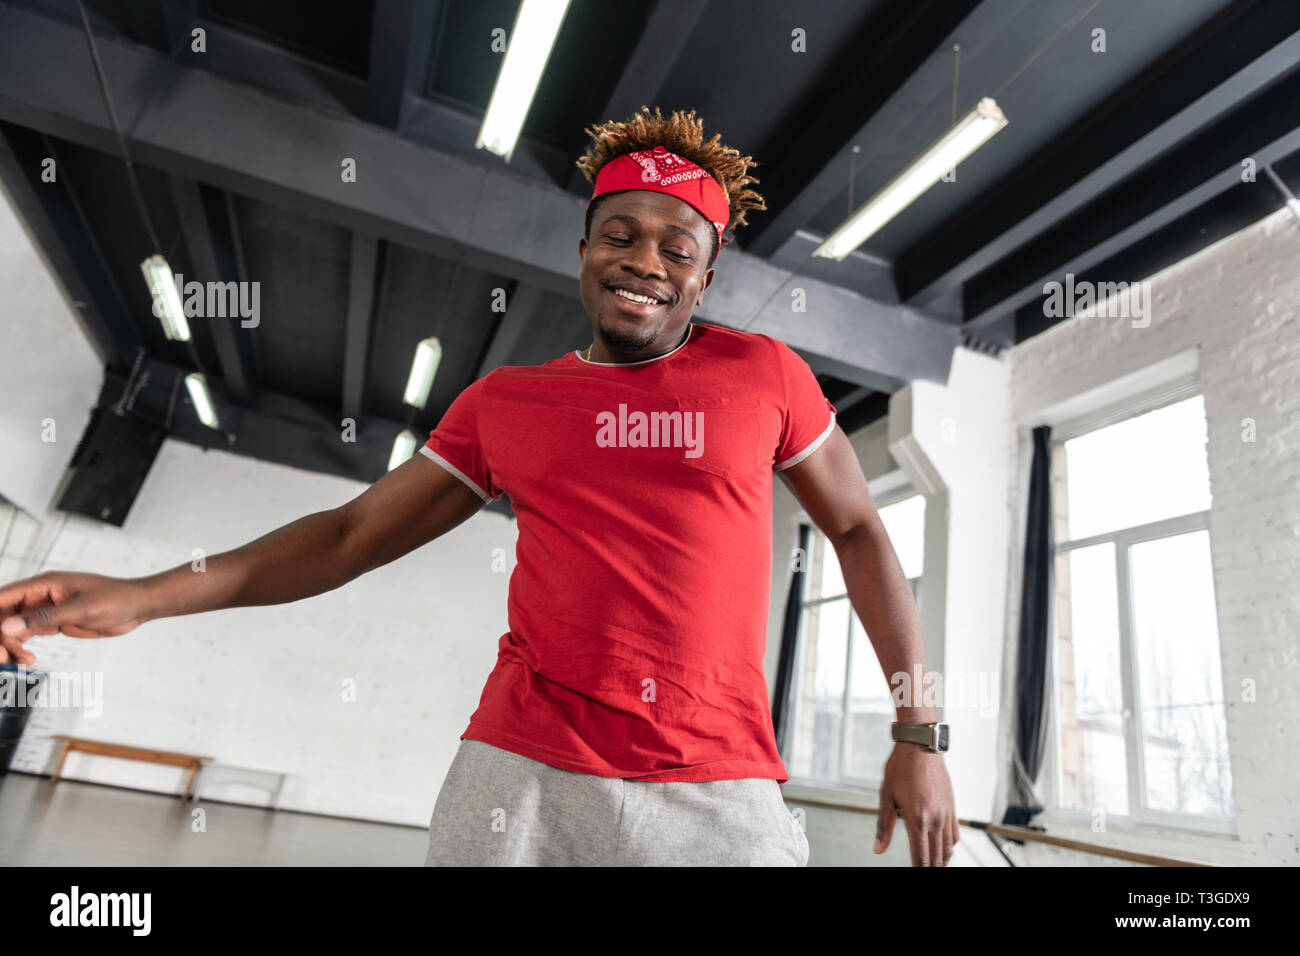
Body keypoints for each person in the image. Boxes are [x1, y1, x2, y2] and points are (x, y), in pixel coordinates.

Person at [0, 107, 957, 867]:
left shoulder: (766, 375)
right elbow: (347, 537)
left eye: (678, 247)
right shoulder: (506, 401)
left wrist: (920, 735)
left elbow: (862, 532)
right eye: (620, 233)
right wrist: (141, 597)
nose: (644, 260)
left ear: (705, 279)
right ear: (583, 251)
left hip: (715, 786)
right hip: (517, 773)